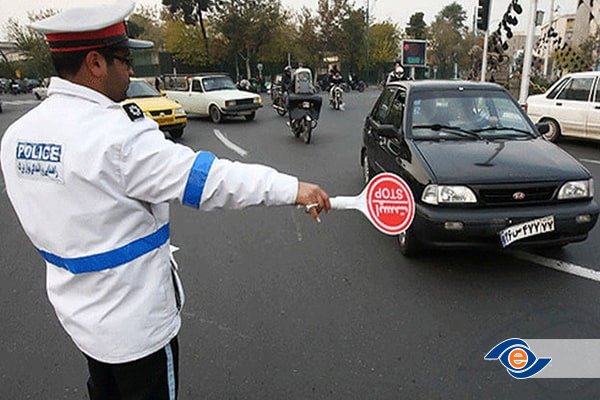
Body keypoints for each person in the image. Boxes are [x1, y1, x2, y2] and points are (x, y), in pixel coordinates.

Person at [0, 2, 330, 399]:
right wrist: (293, 189)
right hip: (136, 328)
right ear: (95, 63)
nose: (131, 70)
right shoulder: (118, 137)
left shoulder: (18, 136)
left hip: (80, 320)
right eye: (125, 59)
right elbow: (211, 181)